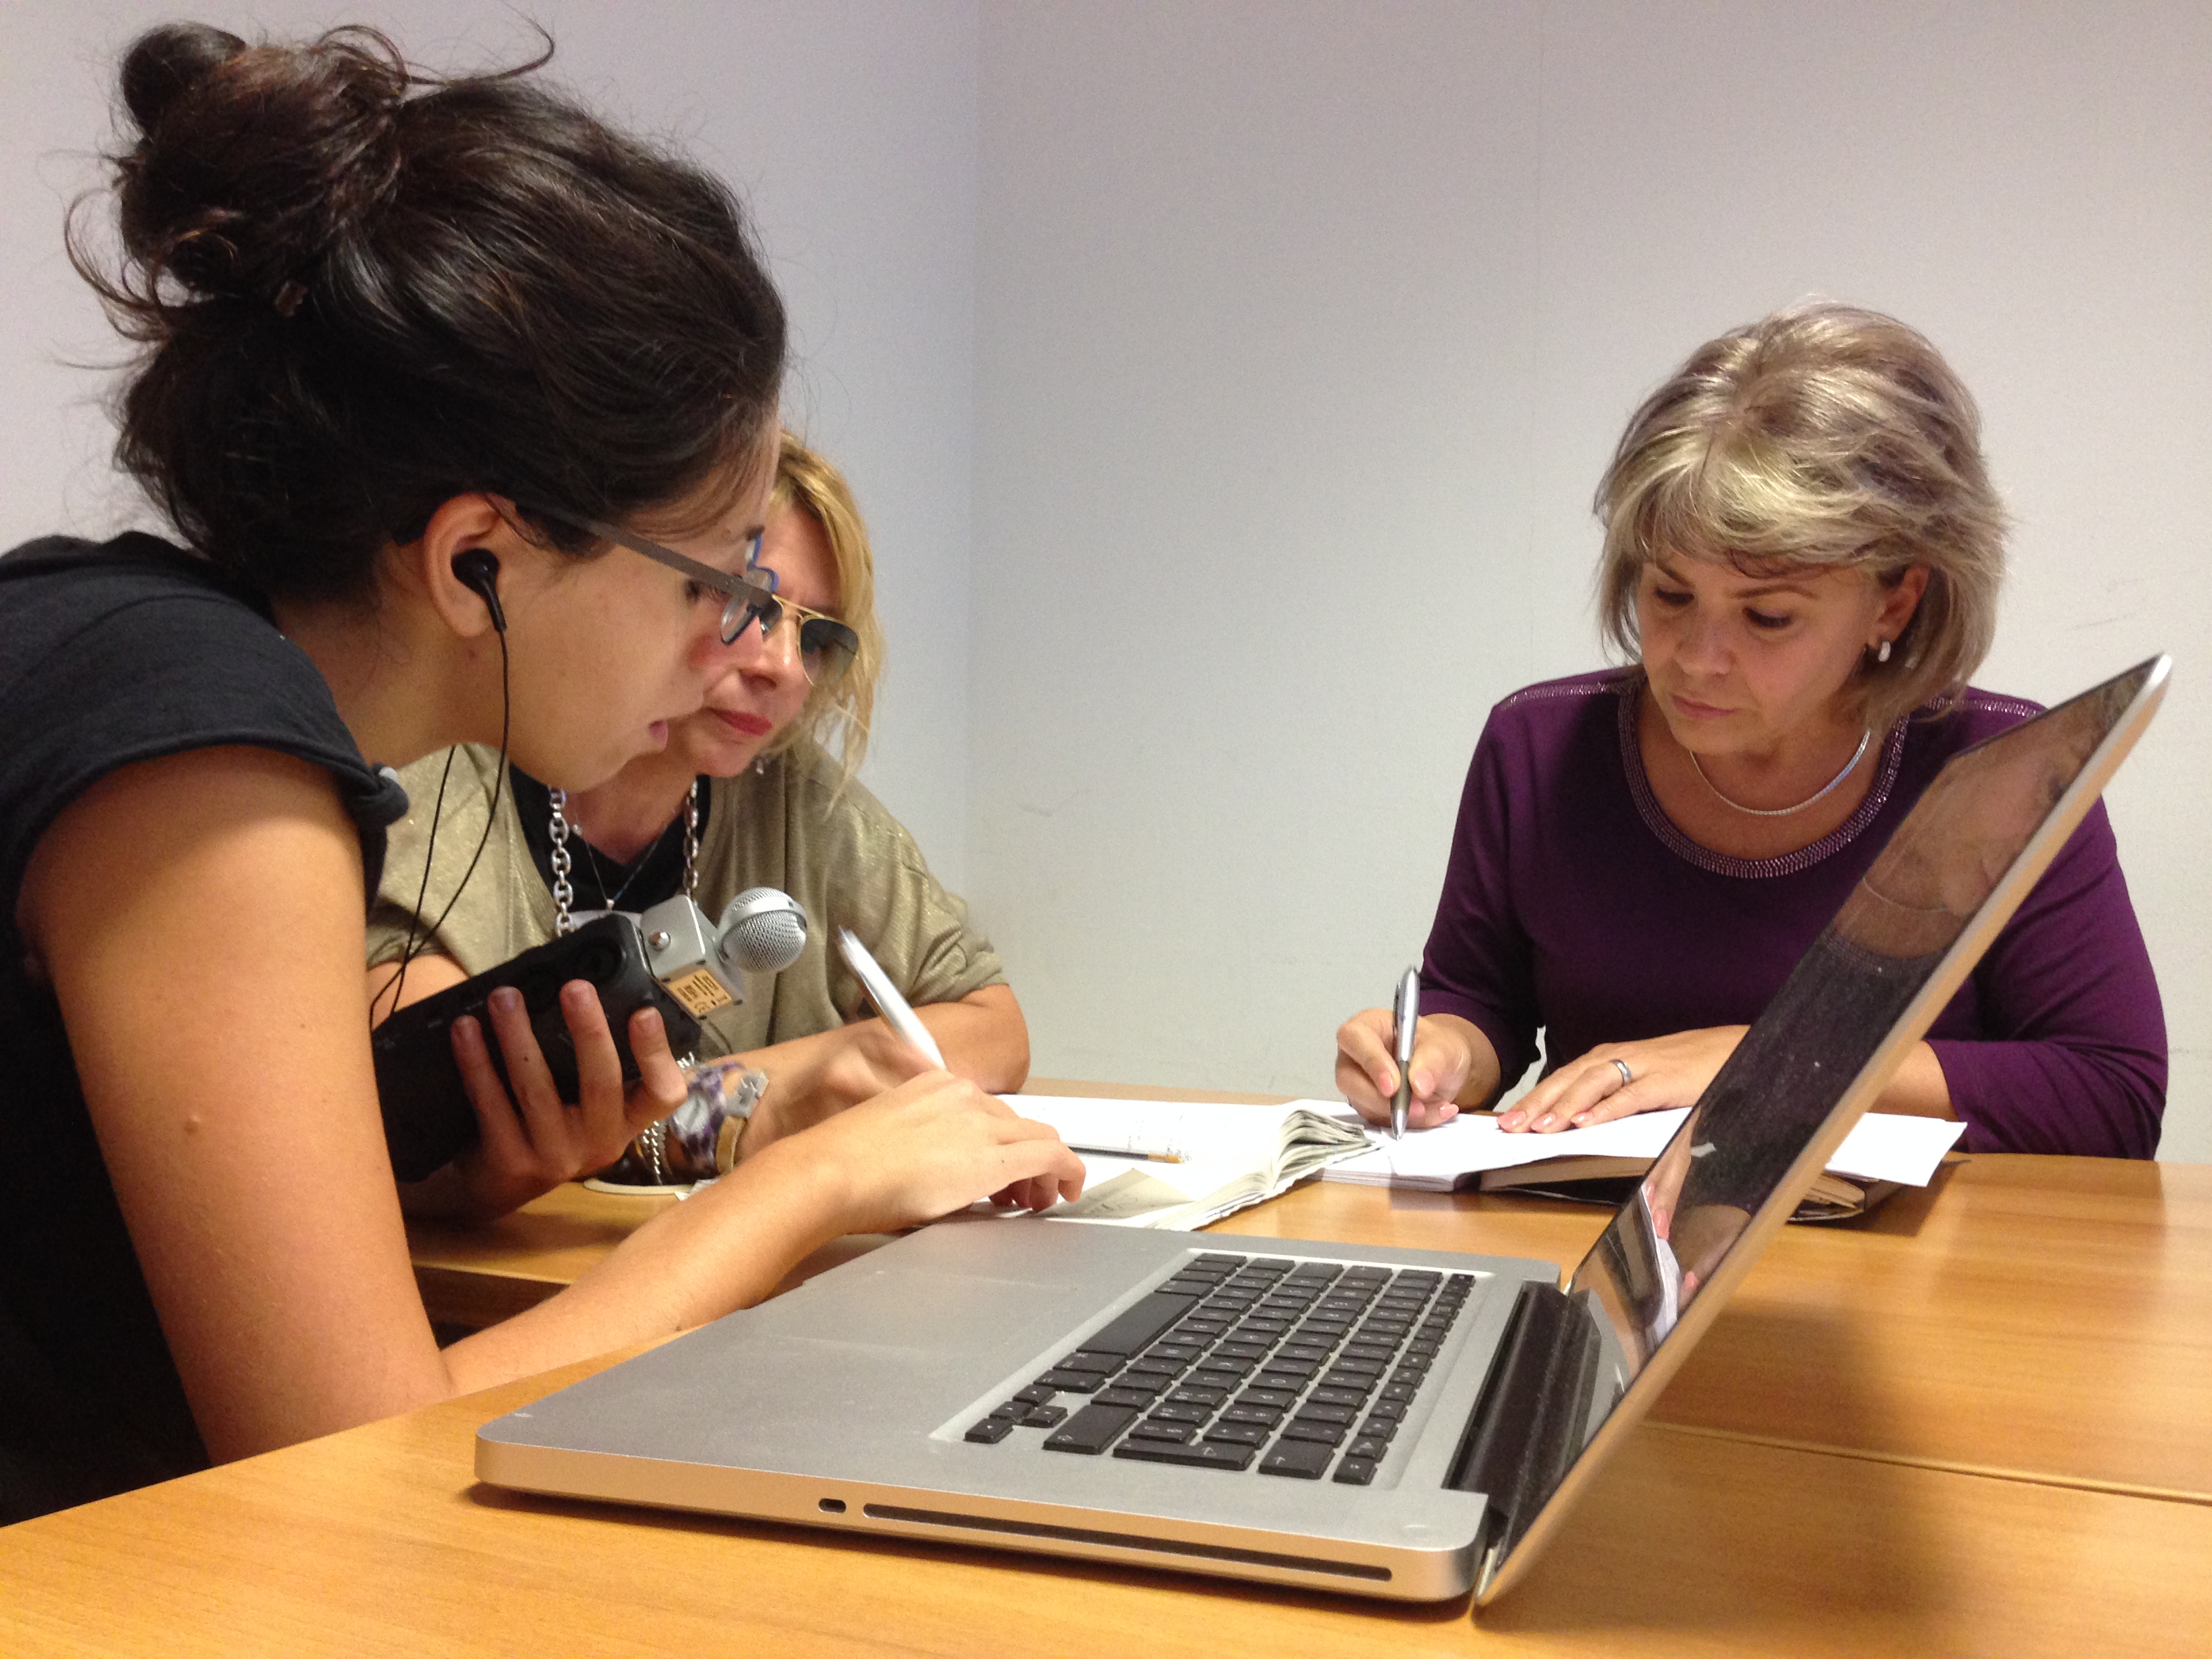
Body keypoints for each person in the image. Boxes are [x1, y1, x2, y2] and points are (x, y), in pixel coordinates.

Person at [0, 23, 1080, 1525]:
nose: (731, 654)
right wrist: (809, 1187)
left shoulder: (122, 643)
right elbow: (347, 1465)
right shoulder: (206, 756)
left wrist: (432, 1169)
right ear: (475, 561)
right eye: (709, 582)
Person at [1336, 302, 2165, 1158]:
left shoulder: (2001, 771)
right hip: (1602, 1248)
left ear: (1895, 599)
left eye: (1767, 617)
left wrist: (1770, 1061)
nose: (1697, 658)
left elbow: (2111, 1096)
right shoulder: (1538, 750)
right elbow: (1480, 1006)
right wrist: (1435, 1058)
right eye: (1669, 595)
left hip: (1910, 1273)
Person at [369, 433, 1029, 1215]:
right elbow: (428, 1105)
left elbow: (996, 1026)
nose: (782, 666)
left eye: (815, 636)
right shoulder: (448, 773)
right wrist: (748, 1109)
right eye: (747, 602)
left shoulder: (793, 794)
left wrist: (810, 1070)